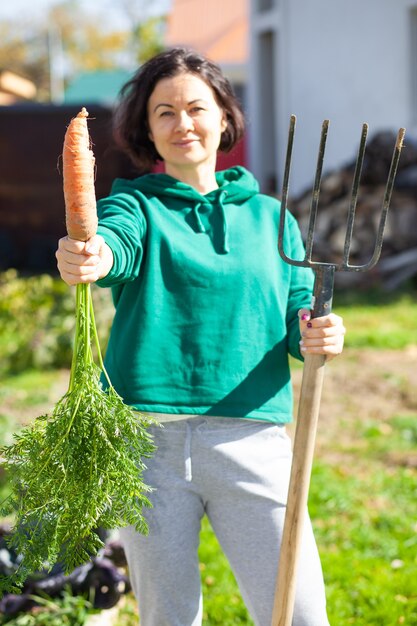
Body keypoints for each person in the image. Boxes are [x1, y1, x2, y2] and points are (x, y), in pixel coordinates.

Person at [56, 47, 345, 626]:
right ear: (147, 129)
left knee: (298, 613)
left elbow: (297, 315)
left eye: (194, 107)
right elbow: (116, 247)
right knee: (168, 617)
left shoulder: (273, 219)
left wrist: (317, 333)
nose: (182, 123)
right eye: (164, 112)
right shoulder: (135, 204)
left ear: (223, 118)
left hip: (252, 438)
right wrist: (93, 253)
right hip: (147, 446)